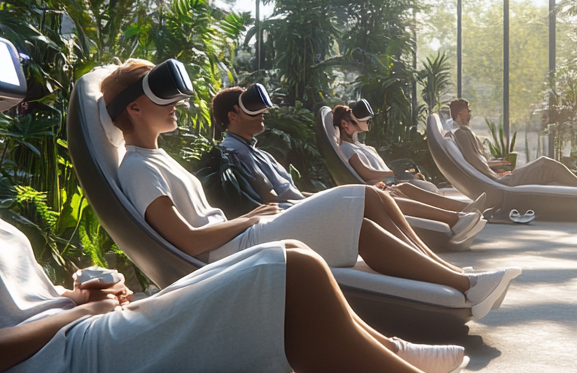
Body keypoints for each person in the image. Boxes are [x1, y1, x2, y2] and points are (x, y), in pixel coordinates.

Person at [0, 40, 555, 373]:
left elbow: (10, 304)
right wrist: (69, 315)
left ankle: (408, 359)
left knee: (289, 260)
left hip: (83, 336)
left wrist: (78, 293)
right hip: (66, 369)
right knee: (288, 264)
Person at [108, 60, 516, 304]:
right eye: (169, 101)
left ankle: (454, 277)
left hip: (244, 236)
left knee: (366, 216)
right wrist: (248, 219)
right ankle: (462, 281)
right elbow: (189, 242)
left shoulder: (156, 158)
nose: (179, 106)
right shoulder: (138, 169)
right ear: (136, 107)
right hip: (235, 249)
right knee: (360, 200)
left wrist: (251, 219)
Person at [216, 88, 484, 246]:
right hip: (290, 216)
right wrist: (324, 200)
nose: (263, 112)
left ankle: (458, 219)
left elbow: (290, 193)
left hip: (297, 206)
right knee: (372, 195)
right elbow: (271, 201)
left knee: (379, 194)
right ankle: (455, 219)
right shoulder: (235, 153)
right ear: (232, 115)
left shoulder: (256, 151)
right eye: (253, 108)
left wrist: (319, 197)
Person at [331, 102, 490, 224]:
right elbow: (365, 173)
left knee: (413, 184)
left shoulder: (362, 147)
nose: (368, 122)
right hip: (380, 183)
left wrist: (398, 174)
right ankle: (460, 213)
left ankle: (465, 210)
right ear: (345, 124)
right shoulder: (346, 148)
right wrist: (394, 175)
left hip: (387, 181)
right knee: (407, 186)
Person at [447, 99, 577, 190]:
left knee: (548, 171)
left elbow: (477, 163)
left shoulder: (463, 133)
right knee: (544, 163)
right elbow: (476, 164)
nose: (470, 114)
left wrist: (500, 167)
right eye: (468, 111)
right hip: (500, 182)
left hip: (499, 178)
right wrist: (500, 169)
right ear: (461, 114)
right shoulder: (462, 134)